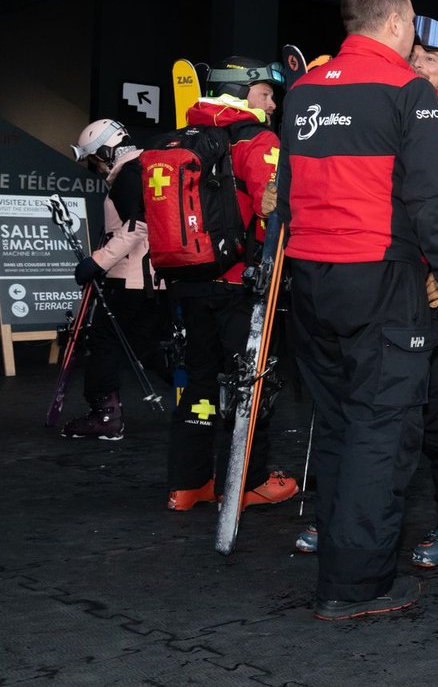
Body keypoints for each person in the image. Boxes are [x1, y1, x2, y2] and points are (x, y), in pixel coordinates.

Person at [279, 0, 438, 621]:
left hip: (309, 282)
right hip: (380, 281)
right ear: (395, 23)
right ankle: (355, 585)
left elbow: (283, 199)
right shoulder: (407, 91)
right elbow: (431, 201)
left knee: (336, 423)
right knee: (382, 429)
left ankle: (339, 563)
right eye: (412, 25)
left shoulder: (303, 91)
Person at [298, 15, 438, 565]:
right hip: (376, 287)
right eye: (413, 52)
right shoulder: (375, 109)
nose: (419, 62)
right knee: (355, 413)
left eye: (433, 57)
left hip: (437, 296)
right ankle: (342, 521)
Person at [164, 57, 300, 513]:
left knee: (198, 383)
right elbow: (273, 209)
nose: (273, 102)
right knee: (252, 384)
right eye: (265, 92)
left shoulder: (184, 137)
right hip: (239, 284)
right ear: (243, 93)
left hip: (187, 281)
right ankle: (249, 482)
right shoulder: (256, 138)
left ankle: (188, 485)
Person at [62, 120, 172, 440]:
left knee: (104, 343)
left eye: (95, 159)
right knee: (149, 349)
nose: (95, 168)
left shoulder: (128, 174)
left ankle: (105, 416)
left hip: (130, 278)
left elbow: (138, 227)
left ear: (107, 151)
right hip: (155, 279)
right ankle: (203, 399)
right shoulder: (148, 167)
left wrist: (96, 263)